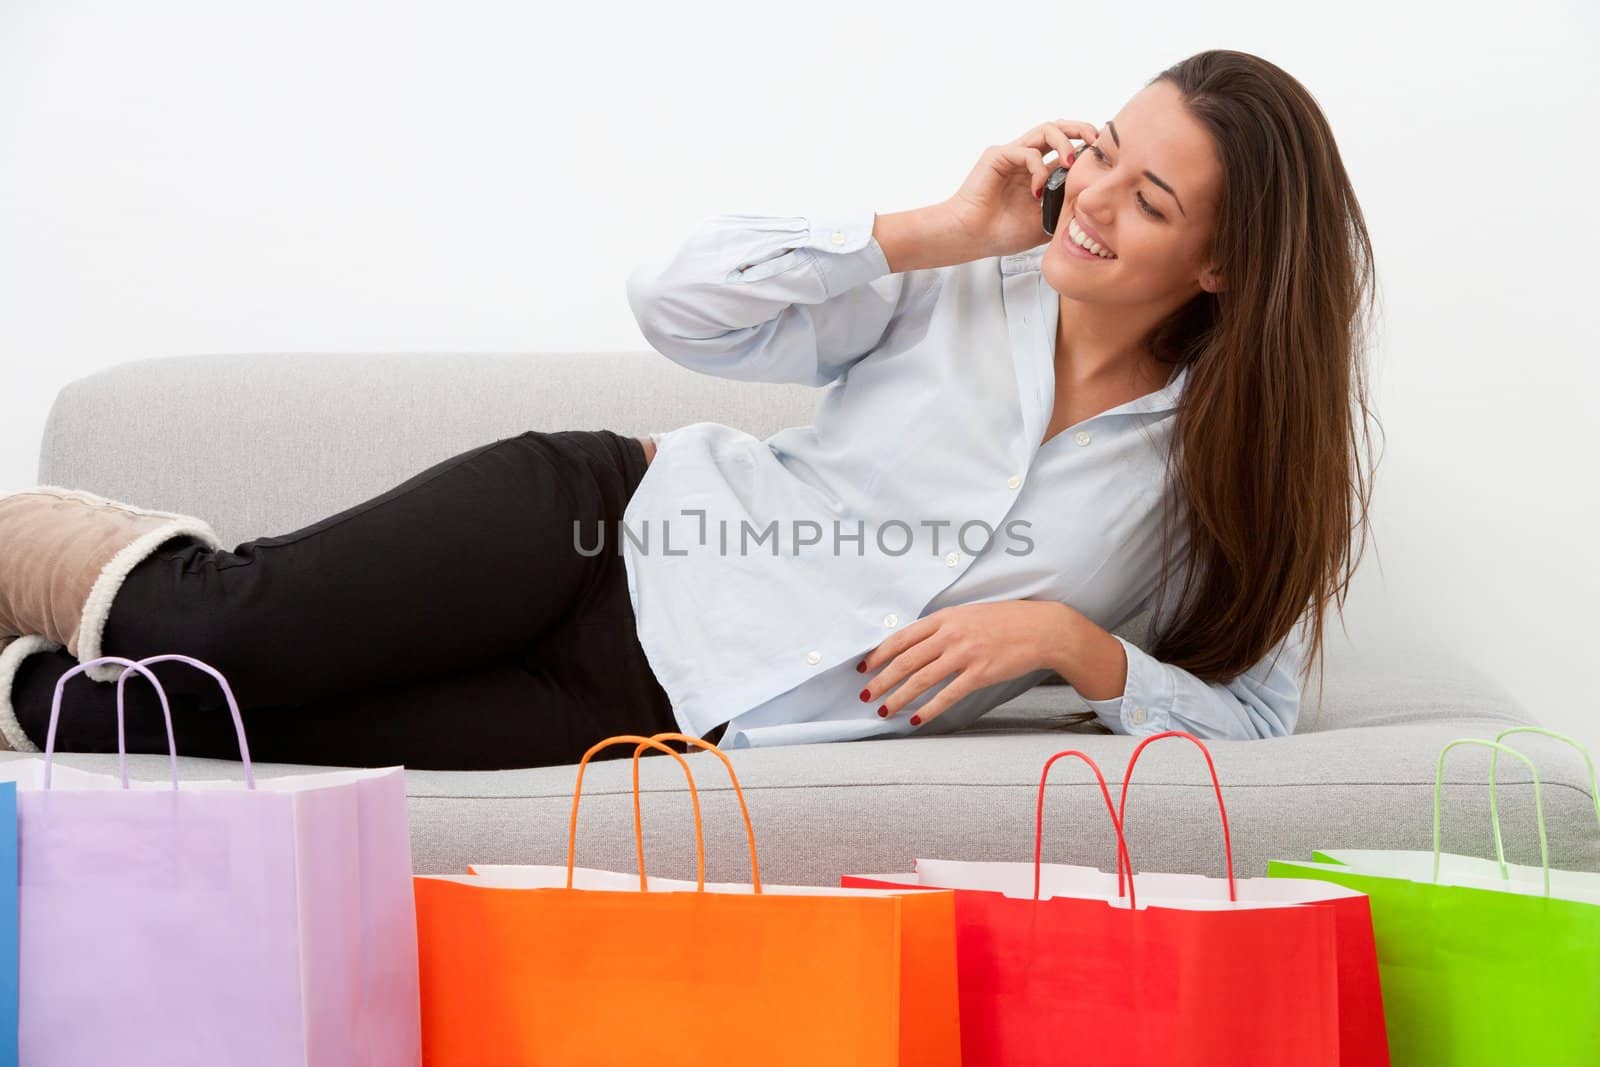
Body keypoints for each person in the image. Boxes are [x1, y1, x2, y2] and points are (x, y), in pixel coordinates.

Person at [0, 48, 1377, 771]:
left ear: (1225, 266)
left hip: (662, 716)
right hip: (596, 521)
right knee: (193, 624)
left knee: (186, 729)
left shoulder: (1216, 482)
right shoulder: (967, 277)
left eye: (1151, 202)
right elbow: (678, 304)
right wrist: (937, 224)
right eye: (1105, 157)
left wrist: (1081, 649)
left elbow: (1250, 720)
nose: (1093, 200)